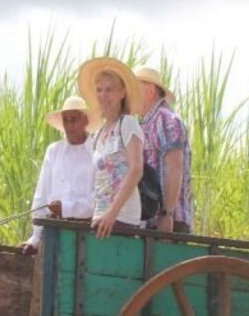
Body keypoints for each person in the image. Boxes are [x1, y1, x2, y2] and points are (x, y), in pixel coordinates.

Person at [12, 95, 98, 316]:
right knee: (42, 292)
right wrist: (35, 237)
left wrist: (69, 207)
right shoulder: (54, 151)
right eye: (66, 120)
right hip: (52, 231)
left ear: (86, 120)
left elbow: (98, 200)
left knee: (80, 292)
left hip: (85, 232)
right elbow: (41, 195)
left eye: (75, 119)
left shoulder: (96, 152)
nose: (71, 125)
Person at [77, 57, 145, 238]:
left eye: (109, 90)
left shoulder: (128, 123)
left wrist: (112, 213)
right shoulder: (99, 133)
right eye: (99, 90)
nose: (103, 95)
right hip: (101, 215)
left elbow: (136, 169)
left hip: (122, 216)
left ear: (122, 93)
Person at [134, 66, 194, 233]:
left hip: (168, 220)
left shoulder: (165, 119)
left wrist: (167, 214)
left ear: (150, 91)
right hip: (151, 218)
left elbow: (174, 167)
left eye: (134, 88)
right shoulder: (145, 123)